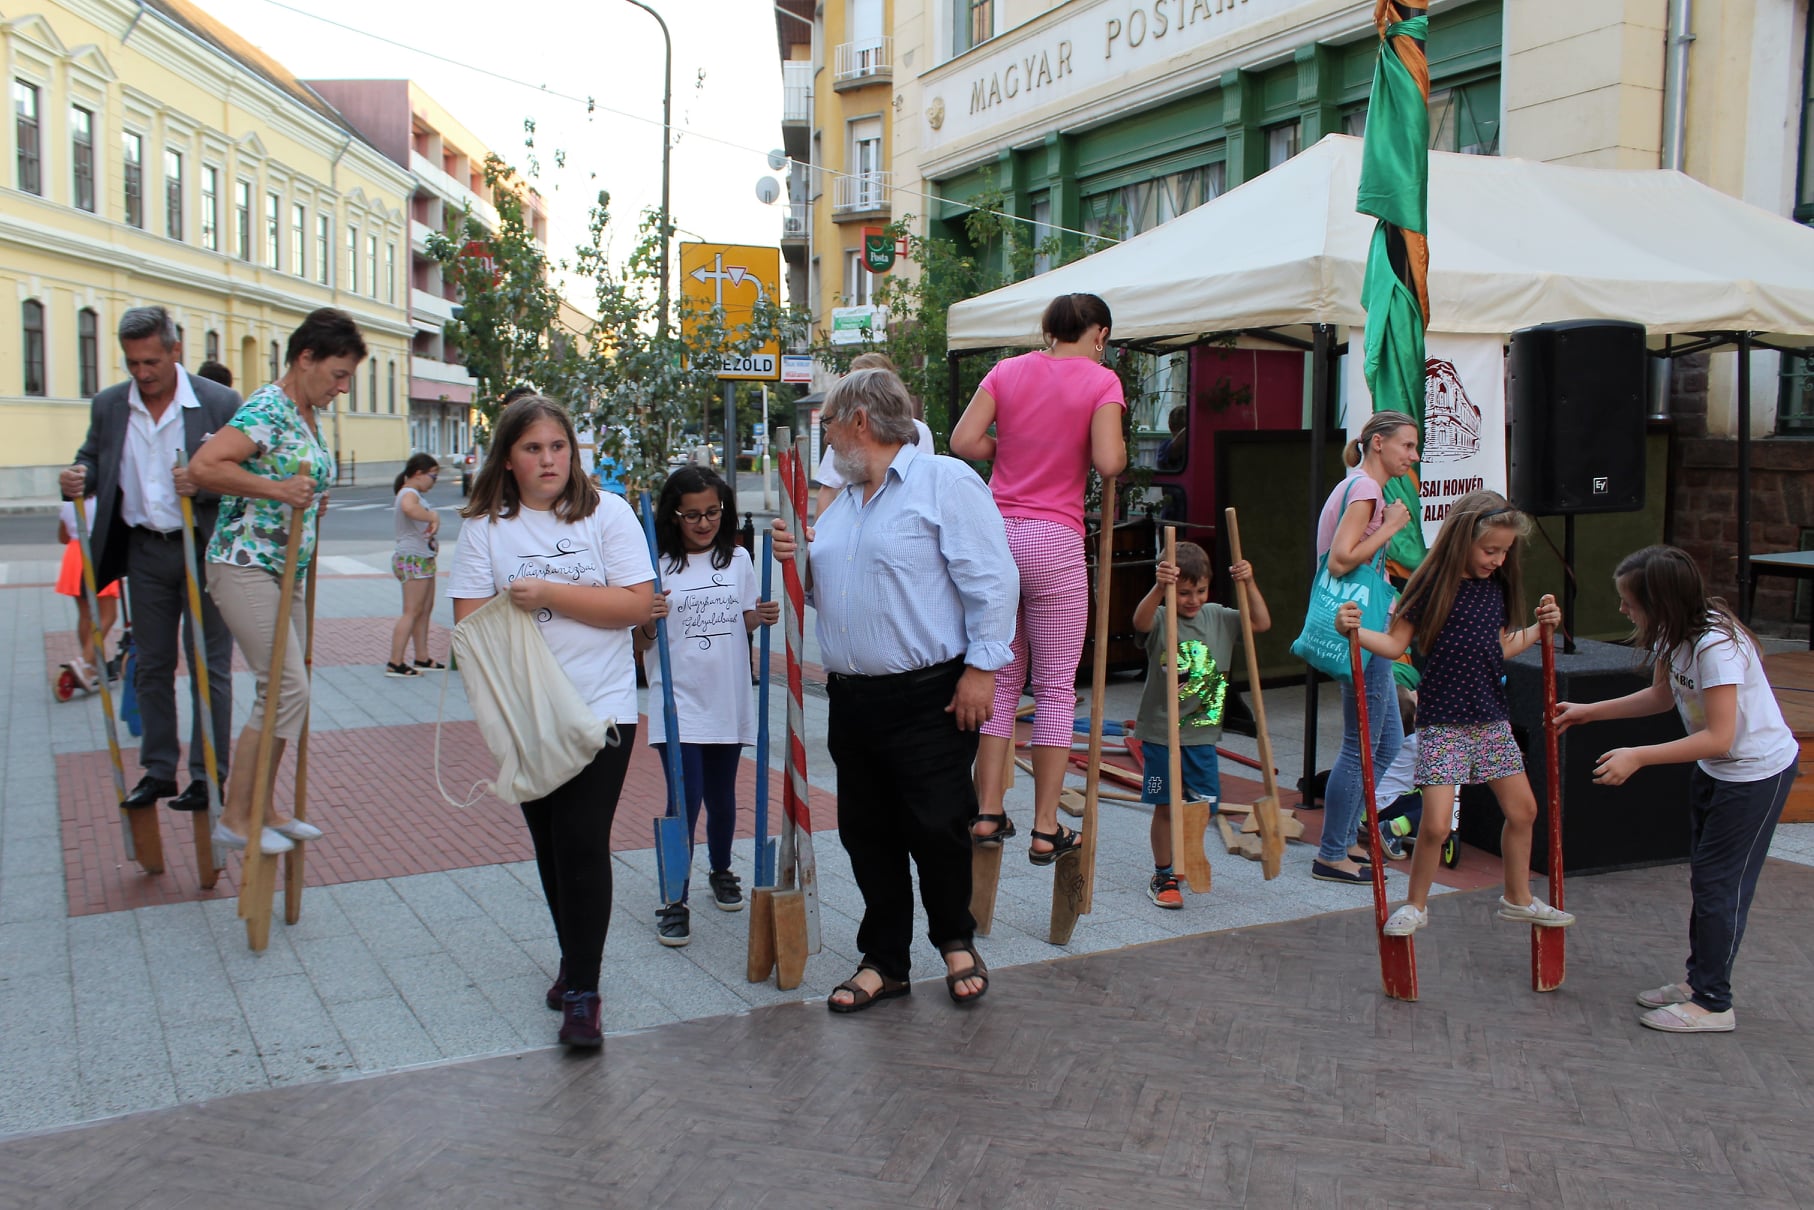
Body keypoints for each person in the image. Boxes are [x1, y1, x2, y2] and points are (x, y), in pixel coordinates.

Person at [771, 368, 1018, 1012]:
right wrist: (797, 561)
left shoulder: (944, 481)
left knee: (938, 825)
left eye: (827, 425)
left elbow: (993, 579)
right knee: (867, 832)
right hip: (853, 698)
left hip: (929, 693)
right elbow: (831, 592)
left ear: (859, 421)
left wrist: (983, 669)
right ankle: (885, 960)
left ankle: (955, 941)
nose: (825, 440)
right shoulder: (844, 503)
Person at [449, 394, 655, 1049]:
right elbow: (469, 626)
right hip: (528, 713)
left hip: (604, 708)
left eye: (558, 446)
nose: (548, 460)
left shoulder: (607, 513)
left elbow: (637, 606)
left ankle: (585, 993)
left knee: (584, 841)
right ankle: (573, 958)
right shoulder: (485, 528)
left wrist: (548, 596)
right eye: (533, 448)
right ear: (507, 458)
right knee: (552, 845)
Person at [1555, 545, 1798, 1034]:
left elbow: (1720, 736)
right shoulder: (1673, 632)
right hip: (1716, 770)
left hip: (1755, 775)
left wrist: (1638, 756)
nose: (1623, 610)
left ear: (1660, 601)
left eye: (1630, 602)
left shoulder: (1717, 646)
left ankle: (1713, 1003)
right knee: (1707, 880)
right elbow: (1663, 695)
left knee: (1720, 887)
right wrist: (1589, 712)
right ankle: (1698, 982)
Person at [1336, 489, 1574, 939]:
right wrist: (1355, 632)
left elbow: (1498, 648)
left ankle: (1517, 897)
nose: (1497, 560)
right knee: (1436, 824)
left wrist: (1539, 630)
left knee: (1524, 810)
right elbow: (1395, 644)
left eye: (1504, 551)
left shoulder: (1496, 589)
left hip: (1490, 718)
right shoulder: (1431, 588)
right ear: (1463, 539)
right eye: (1490, 550)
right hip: (1443, 722)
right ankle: (1415, 904)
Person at [950, 293, 1128, 864]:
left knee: (1001, 679)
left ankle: (987, 811)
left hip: (998, 535)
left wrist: (1011, 450)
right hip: (1054, 540)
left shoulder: (1008, 371)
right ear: (1100, 333)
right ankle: (1046, 827)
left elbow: (962, 442)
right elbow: (1109, 462)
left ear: (1049, 329)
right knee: (1053, 689)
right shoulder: (1102, 381)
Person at [59, 305, 240, 814]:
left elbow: (247, 473)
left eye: (152, 362)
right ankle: (159, 770)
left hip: (203, 548)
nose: (142, 373)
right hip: (144, 549)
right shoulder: (110, 405)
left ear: (175, 351)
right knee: (151, 664)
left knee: (209, 665)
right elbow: (93, 458)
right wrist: (77, 476)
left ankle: (207, 774)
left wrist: (202, 484)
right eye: (133, 363)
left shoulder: (218, 402)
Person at [191, 308, 356, 857]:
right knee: (285, 689)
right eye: (338, 373)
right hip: (245, 563)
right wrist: (282, 491)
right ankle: (236, 817)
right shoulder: (269, 406)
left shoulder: (306, 413)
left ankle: (264, 807)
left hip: (288, 568)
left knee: (288, 692)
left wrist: (307, 498)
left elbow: (293, 474)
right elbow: (206, 466)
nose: (343, 387)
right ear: (306, 358)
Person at [634, 465, 780, 945]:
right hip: (678, 703)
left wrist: (760, 615)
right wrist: (648, 619)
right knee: (685, 799)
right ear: (673, 516)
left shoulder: (737, 559)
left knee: (722, 796)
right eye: (692, 514)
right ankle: (674, 898)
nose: (704, 523)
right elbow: (640, 640)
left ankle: (720, 869)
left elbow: (742, 620)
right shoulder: (655, 564)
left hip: (727, 697)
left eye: (713, 512)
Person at [1309, 409, 1420, 883]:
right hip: (1362, 629)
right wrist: (1391, 526)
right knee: (1361, 747)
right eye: (1406, 445)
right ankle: (1332, 852)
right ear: (1378, 443)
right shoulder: (1368, 491)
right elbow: (1339, 561)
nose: (1413, 456)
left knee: (1388, 741)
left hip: (1366, 625)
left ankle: (1348, 837)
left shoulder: (1356, 485)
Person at [1130, 540, 1269, 908]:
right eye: (1184, 592)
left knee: (1204, 805)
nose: (1193, 600)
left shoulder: (1218, 617)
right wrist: (1159, 587)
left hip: (1201, 736)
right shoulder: (1162, 618)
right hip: (1159, 737)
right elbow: (1139, 621)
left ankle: (1188, 854)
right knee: (1163, 803)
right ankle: (1163, 873)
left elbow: (1260, 623)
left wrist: (1249, 582)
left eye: (1201, 591)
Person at [811, 352, 932, 518]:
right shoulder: (844, 434)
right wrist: (819, 533)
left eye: (858, 383)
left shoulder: (919, 432)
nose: (827, 439)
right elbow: (828, 489)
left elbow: (924, 485)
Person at [54, 497, 120, 690]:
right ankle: (84, 662)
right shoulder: (104, 500)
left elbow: (63, 537)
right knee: (108, 615)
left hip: (75, 555)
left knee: (85, 615)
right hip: (99, 554)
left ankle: (92, 666)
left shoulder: (69, 503)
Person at [386, 453, 443, 677]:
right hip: (413, 559)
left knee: (424, 610)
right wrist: (432, 516)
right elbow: (409, 508)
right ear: (419, 473)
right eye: (433, 477)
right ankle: (395, 662)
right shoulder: (408, 492)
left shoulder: (414, 493)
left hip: (422, 558)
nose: (434, 482)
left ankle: (422, 656)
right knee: (411, 611)